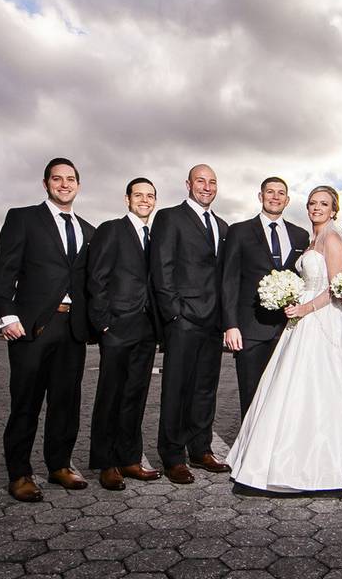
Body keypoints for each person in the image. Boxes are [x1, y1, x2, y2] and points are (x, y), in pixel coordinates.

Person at [227, 186, 342, 492]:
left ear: (334, 210)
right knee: (289, 385)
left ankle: (321, 463)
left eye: (324, 204)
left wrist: (304, 307)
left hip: (322, 318)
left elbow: (336, 287)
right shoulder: (309, 238)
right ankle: (280, 456)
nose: (317, 208)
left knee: (319, 386)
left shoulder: (331, 238)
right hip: (300, 319)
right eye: (313, 203)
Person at [0, 158, 95, 502]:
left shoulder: (89, 230)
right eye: (57, 178)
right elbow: (4, 269)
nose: (64, 184)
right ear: (46, 183)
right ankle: (19, 473)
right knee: (26, 402)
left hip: (73, 327)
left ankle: (60, 465)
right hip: (32, 326)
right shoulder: (22, 218)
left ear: (78, 185)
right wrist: (7, 315)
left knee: (66, 401)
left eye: (70, 179)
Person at [151, 164, 231, 484]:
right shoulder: (170, 217)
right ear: (188, 184)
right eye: (201, 181)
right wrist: (174, 313)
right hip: (183, 319)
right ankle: (173, 456)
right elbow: (161, 266)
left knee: (204, 389)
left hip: (213, 321)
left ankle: (201, 449)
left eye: (212, 182)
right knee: (176, 389)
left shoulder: (223, 225)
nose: (207, 187)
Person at [86, 177, 163, 490]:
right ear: (127, 198)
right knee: (111, 395)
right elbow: (96, 278)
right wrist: (103, 323)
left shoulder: (156, 235)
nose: (144, 200)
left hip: (147, 329)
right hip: (117, 326)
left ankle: (130, 458)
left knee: (136, 395)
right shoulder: (112, 229)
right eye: (139, 195)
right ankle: (106, 463)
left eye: (150, 196)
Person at [222, 177, 311, 419]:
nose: (275, 196)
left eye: (280, 193)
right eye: (269, 192)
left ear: (287, 199)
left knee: (283, 396)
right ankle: (249, 453)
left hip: (287, 329)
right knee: (251, 395)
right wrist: (231, 325)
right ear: (260, 196)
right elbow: (229, 279)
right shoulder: (239, 231)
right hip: (250, 328)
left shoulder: (301, 235)